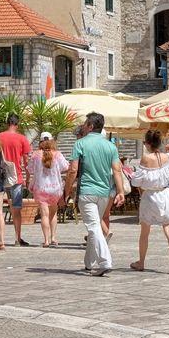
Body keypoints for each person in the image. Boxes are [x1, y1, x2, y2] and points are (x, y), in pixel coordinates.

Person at [65, 112, 126, 276]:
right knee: (95, 226)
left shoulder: (80, 144)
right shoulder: (110, 146)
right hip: (104, 193)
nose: (83, 126)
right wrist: (120, 191)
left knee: (93, 227)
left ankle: (105, 261)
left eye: (85, 124)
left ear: (91, 126)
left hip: (86, 192)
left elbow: (72, 170)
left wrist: (66, 191)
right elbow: (117, 170)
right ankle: (89, 262)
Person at [129, 130, 169, 274]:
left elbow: (136, 182)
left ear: (147, 143)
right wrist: (168, 152)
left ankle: (141, 262)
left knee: (145, 232)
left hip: (150, 196)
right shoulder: (167, 157)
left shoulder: (146, 158)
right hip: (166, 195)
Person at [0, 114, 32, 247]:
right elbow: (26, 161)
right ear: (17, 124)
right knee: (16, 208)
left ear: (7, 123)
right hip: (16, 176)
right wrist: (27, 177)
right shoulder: (22, 139)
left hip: (0, 176)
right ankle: (17, 238)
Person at [28, 138, 69, 248]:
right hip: (55, 188)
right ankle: (53, 238)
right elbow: (66, 167)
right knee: (53, 213)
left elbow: (30, 170)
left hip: (41, 188)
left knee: (44, 215)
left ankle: (46, 240)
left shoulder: (35, 155)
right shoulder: (58, 154)